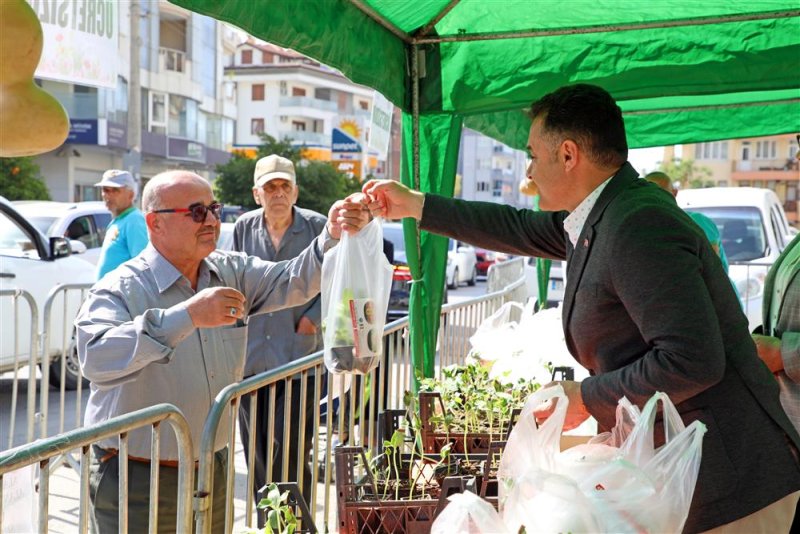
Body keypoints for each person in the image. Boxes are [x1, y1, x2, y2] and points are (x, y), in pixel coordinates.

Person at [363, 84, 800, 533]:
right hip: (693, 470)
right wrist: (415, 205)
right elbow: (516, 227)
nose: (529, 172)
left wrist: (587, 398)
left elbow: (692, 360)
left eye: (533, 155)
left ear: (568, 154)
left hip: (732, 483)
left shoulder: (636, 223)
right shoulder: (603, 213)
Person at [75, 170, 368, 533]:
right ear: (155, 224)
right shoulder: (122, 288)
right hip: (137, 475)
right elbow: (95, 355)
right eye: (197, 212)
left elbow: (293, 280)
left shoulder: (229, 271)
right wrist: (187, 316)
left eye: (214, 208)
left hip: (210, 468)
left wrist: (331, 236)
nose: (212, 220)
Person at [232, 154, 326, 515]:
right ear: (258, 193)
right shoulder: (243, 227)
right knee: (255, 449)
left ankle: (294, 521)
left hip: (298, 356)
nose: (278, 193)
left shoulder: (317, 227)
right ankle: (266, 521)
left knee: (292, 448)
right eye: (270, 187)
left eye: (285, 186)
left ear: (295, 191)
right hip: (252, 358)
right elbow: (233, 277)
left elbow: (335, 282)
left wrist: (312, 320)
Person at [644, 171, 730, 273]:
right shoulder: (652, 226)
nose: (656, 198)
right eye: (650, 194)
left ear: (674, 193)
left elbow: (712, 268)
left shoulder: (697, 221)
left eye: (662, 193)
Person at [93, 169, 149, 280]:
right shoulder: (120, 220)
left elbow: (142, 266)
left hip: (120, 295)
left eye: (115, 190)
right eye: (105, 190)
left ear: (131, 195)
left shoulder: (134, 220)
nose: (108, 195)